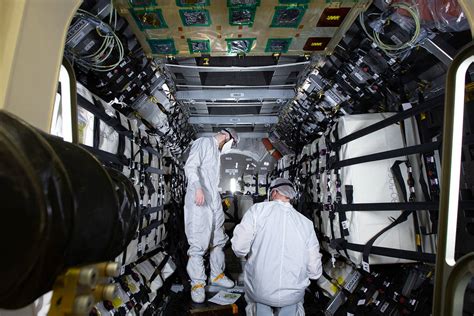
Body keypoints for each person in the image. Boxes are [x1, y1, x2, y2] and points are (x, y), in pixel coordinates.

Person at [231, 178, 322, 316]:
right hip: (292, 296)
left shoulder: (257, 211)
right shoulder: (306, 224)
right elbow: (315, 272)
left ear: (273, 192)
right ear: (290, 196)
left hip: (260, 292)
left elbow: (239, 248)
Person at [184, 128, 240, 303]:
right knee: (198, 242)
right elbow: (190, 166)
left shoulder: (215, 152)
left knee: (218, 239)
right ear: (227, 137)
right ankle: (198, 284)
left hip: (213, 199)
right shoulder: (203, 143)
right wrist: (198, 188)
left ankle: (216, 275)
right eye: (233, 143)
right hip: (199, 200)